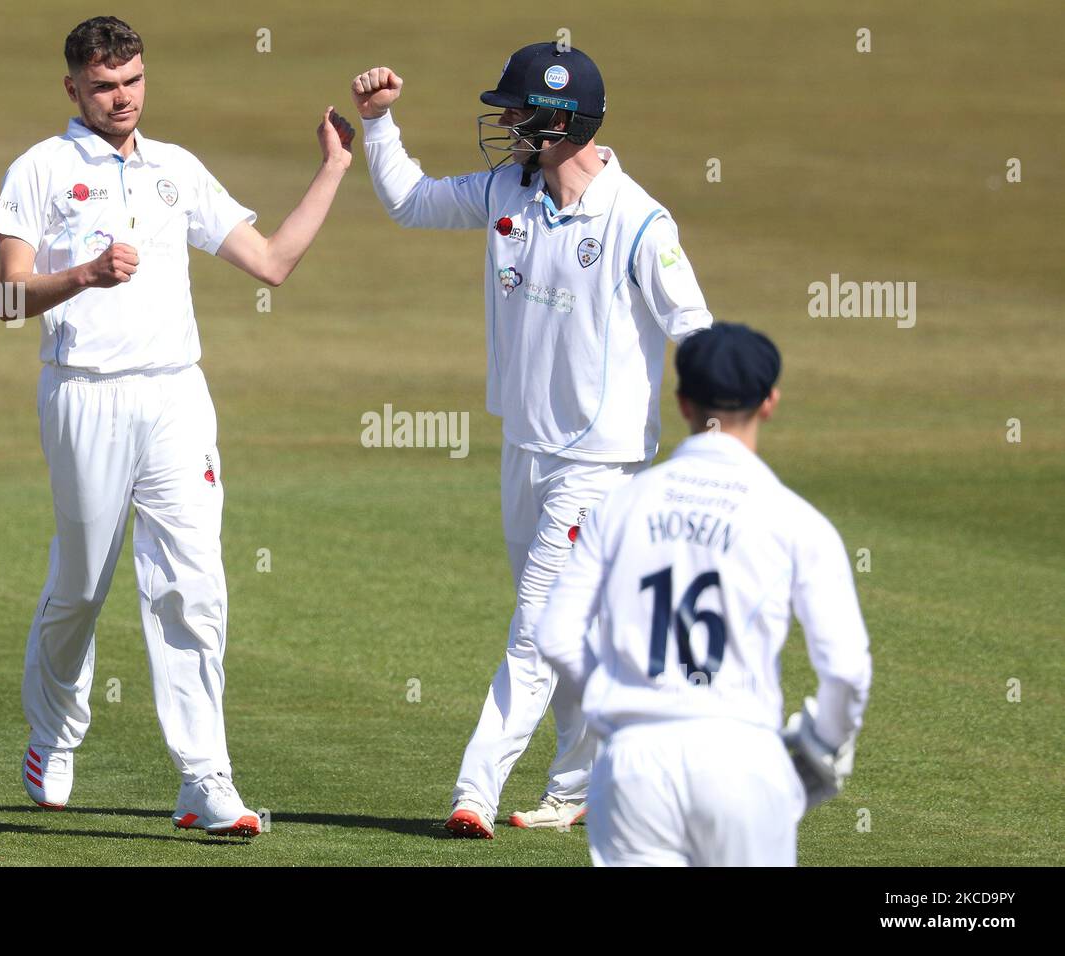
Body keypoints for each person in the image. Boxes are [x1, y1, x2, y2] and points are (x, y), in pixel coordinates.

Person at [0, 15, 354, 836]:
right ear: (74, 88)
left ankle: (206, 778)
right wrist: (83, 275)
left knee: (194, 586)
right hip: (84, 393)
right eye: (106, 86)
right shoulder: (40, 169)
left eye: (134, 82)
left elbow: (271, 262)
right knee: (81, 586)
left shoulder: (175, 170)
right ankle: (54, 732)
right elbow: (7, 297)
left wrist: (332, 168)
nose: (123, 100)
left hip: (176, 396)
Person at [351, 42, 714, 838]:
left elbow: (698, 331)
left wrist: (715, 446)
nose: (505, 122)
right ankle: (583, 785)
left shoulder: (638, 222)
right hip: (525, 448)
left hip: (601, 462)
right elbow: (412, 201)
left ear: (561, 120)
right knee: (571, 632)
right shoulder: (509, 188)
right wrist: (378, 125)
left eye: (517, 110)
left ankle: (473, 792)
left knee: (538, 628)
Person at [536, 323, 873, 865]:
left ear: (682, 401)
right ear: (769, 403)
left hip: (634, 763)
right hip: (743, 759)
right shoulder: (796, 520)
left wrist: (614, 704)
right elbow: (848, 668)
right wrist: (826, 745)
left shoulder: (621, 506)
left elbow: (555, 633)